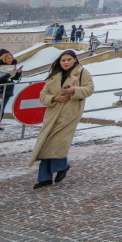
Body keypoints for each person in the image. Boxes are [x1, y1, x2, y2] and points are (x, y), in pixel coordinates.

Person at [28, 50, 93, 189]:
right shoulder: (54, 75)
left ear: (75, 60)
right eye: (63, 60)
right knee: (46, 144)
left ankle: (62, 166)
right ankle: (45, 178)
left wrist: (74, 90)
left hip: (70, 113)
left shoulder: (82, 73)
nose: (66, 62)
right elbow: (42, 96)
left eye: (69, 59)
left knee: (58, 143)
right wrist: (54, 98)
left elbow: (89, 89)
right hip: (52, 114)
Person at [0, 49, 22, 132]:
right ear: (4, 59)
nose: (10, 60)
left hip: (8, 91)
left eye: (11, 58)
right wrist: (8, 75)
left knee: (2, 109)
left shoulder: (12, 68)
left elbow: (15, 78)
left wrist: (19, 72)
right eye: (8, 58)